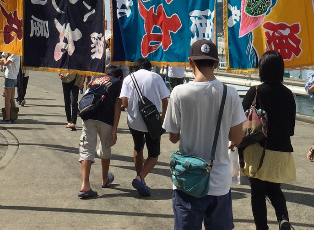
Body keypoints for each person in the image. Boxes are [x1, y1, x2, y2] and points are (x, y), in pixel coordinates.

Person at [163, 39, 245, 230]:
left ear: (191, 62)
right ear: (216, 63)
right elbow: (237, 138)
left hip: (188, 179)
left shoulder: (178, 92)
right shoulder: (230, 93)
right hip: (219, 182)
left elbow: (173, 137)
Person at [241, 50, 295, 230]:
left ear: (261, 69)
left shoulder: (255, 91)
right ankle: (283, 218)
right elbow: (291, 129)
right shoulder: (288, 94)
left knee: (257, 192)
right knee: (274, 188)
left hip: (258, 150)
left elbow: (240, 119)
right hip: (281, 151)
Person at [120, 57, 170, 197]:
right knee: (154, 154)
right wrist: (163, 117)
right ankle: (140, 177)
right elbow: (165, 99)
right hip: (153, 121)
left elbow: (124, 102)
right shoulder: (156, 77)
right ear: (149, 67)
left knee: (138, 147)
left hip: (134, 121)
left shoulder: (129, 78)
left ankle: (139, 175)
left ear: (135, 67)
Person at [78, 65, 124, 199]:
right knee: (105, 147)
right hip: (106, 119)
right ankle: (105, 179)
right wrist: (115, 130)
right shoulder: (117, 83)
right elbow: (117, 106)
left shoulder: (95, 79)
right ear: (120, 77)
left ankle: (85, 185)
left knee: (87, 148)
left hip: (88, 115)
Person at [0, 53, 21, 123]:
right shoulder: (12, 54)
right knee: (11, 98)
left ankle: (7, 118)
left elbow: (6, 63)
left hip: (10, 77)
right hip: (12, 77)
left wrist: (3, 59)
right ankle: (13, 115)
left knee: (7, 99)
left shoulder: (15, 54)